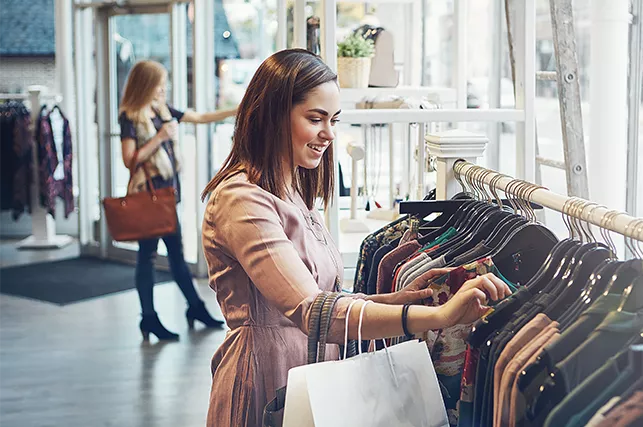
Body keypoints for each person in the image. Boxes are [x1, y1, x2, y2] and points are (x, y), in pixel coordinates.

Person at [201, 48, 512, 426]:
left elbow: (320, 299)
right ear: (273, 115)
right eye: (315, 119)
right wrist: (436, 315)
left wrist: (391, 299)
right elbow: (311, 310)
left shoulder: (292, 188)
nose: (328, 134)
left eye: (333, 119)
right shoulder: (242, 199)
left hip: (310, 374)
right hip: (266, 377)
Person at [119, 59, 236, 341]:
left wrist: (240, 108)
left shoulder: (162, 110)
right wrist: (160, 137)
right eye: (159, 83)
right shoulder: (131, 116)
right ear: (146, 84)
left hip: (167, 195)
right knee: (148, 257)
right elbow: (129, 160)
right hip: (149, 196)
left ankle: (191, 308)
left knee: (174, 254)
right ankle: (153, 317)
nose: (163, 88)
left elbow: (200, 118)